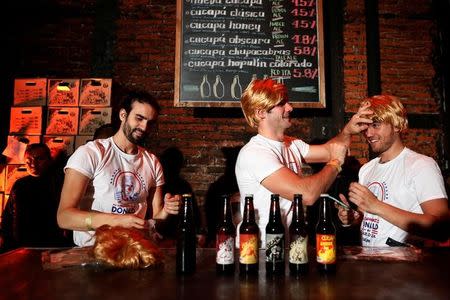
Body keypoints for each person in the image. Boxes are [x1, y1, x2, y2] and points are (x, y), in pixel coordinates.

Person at [235, 78, 373, 247]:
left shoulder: (291, 144)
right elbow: (307, 195)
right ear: (260, 113)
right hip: (261, 250)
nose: (290, 108)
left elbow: (332, 149)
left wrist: (348, 130)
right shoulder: (255, 153)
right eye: (282, 104)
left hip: (288, 245)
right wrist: (336, 163)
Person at [57, 91, 180, 247]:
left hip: (134, 252)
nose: (144, 127)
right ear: (123, 115)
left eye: (150, 122)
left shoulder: (152, 162)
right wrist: (117, 220)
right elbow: (64, 217)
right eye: (139, 118)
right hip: (92, 253)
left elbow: (156, 218)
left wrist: (166, 211)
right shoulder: (91, 153)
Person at [337, 95, 449, 247]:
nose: (368, 134)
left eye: (375, 125)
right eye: (365, 126)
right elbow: (369, 218)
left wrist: (376, 205)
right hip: (371, 264)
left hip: (406, 268)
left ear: (397, 125)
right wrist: (353, 218)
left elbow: (441, 228)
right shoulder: (367, 169)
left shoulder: (421, 166)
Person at [0, 143, 73, 252]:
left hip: (52, 247)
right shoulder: (20, 185)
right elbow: (8, 217)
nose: (33, 164)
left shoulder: (59, 183)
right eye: (29, 159)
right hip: (22, 248)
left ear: (49, 160)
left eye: (39, 159)